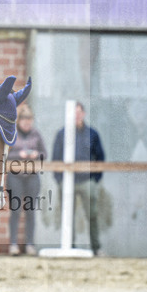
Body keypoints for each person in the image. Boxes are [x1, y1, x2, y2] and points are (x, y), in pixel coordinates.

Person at [52, 101, 105, 255]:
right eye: (73, 114)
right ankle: (70, 246)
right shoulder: (62, 134)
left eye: (79, 113)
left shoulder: (92, 134)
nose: (76, 116)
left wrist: (95, 178)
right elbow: (56, 157)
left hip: (86, 181)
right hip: (67, 181)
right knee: (67, 216)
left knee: (92, 215)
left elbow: (100, 157)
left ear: (84, 114)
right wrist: (59, 179)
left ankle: (96, 248)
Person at [6, 103, 47, 255]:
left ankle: (30, 244)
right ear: (19, 121)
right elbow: (5, 156)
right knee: (15, 210)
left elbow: (45, 154)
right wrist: (20, 155)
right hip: (14, 177)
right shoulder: (12, 134)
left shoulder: (36, 134)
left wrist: (36, 155)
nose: (27, 122)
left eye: (29, 119)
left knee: (30, 211)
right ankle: (14, 244)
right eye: (24, 119)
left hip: (32, 177)